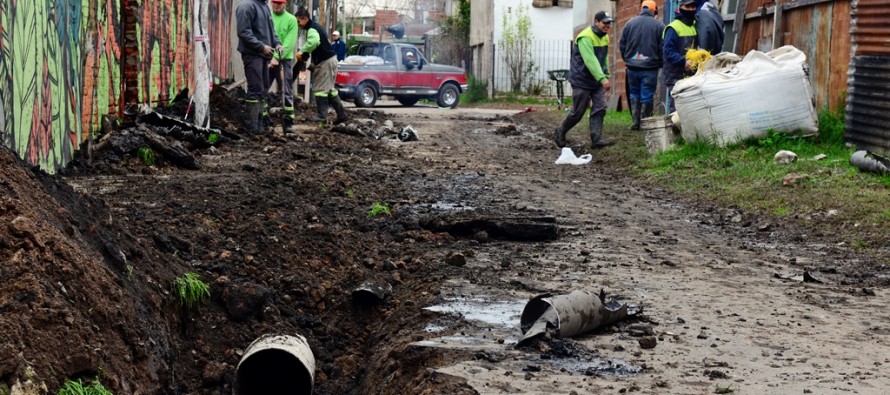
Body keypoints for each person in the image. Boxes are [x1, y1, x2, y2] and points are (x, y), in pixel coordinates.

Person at [554, 11, 614, 149]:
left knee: (600, 108)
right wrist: (602, 78)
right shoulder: (585, 37)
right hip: (582, 79)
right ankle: (560, 131)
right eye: (605, 23)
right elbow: (590, 60)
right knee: (578, 112)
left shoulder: (604, 37)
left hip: (596, 80)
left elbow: (603, 58)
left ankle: (596, 139)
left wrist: (605, 74)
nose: (607, 26)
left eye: (609, 23)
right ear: (596, 22)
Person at [236, 0, 283, 134]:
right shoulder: (246, 6)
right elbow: (243, 32)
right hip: (253, 54)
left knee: (262, 89)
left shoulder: (265, 7)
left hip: (263, 55)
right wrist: (261, 47)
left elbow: (272, 31)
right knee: (255, 88)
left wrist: (277, 43)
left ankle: (260, 125)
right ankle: (252, 127)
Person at [296, 8, 348, 125]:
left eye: (298, 21)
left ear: (305, 19)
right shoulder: (316, 26)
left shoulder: (311, 29)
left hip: (326, 62)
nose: (298, 25)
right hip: (331, 60)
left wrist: (302, 51)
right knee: (330, 89)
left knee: (320, 89)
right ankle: (342, 115)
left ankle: (322, 116)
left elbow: (314, 42)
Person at [619, 0, 664, 130]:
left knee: (634, 93)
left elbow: (622, 45)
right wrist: (660, 63)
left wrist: (627, 59)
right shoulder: (659, 25)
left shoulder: (629, 24)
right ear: (654, 10)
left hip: (632, 67)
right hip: (650, 67)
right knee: (647, 95)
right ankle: (645, 123)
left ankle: (635, 122)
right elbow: (662, 48)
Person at [663, 0, 697, 113]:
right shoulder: (673, 28)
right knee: (676, 108)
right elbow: (668, 51)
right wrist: (683, 62)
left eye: (693, 6)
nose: (691, 9)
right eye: (688, 6)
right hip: (675, 75)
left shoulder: (693, 26)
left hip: (689, 73)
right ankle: (674, 130)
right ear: (681, 7)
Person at [270, 0, 298, 132]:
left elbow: (289, 42)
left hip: (284, 60)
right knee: (263, 88)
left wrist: (277, 57)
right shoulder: (268, 16)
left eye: (279, 3)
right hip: (268, 58)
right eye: (274, 3)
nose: (276, 6)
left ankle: (288, 121)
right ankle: (263, 119)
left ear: (284, 4)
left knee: (286, 90)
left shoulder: (291, 20)